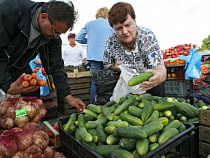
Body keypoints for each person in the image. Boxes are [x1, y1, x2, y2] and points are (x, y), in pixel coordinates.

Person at [0, 0, 85, 112]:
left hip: (17, 66)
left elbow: (56, 66)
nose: (56, 37)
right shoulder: (8, 11)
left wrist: (68, 96)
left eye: (60, 34)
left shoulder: (53, 37)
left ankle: (23, 122)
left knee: (32, 99)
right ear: (44, 17)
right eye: (56, 32)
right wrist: (6, 85)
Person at [103, 2, 167, 96]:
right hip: (127, 90)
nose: (125, 32)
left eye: (128, 25)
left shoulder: (147, 36)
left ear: (135, 21)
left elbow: (160, 67)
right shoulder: (111, 40)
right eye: (119, 28)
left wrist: (158, 77)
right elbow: (106, 63)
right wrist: (114, 67)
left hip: (150, 86)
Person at [75, 7, 113, 104]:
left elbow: (78, 38)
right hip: (107, 57)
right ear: (107, 15)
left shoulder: (89, 24)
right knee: (107, 81)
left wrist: (91, 41)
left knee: (94, 81)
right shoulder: (110, 24)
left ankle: (93, 105)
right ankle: (106, 105)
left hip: (93, 57)